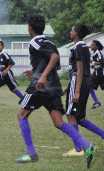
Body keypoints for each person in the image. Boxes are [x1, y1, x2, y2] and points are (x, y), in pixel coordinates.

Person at [15, 15, 97, 169]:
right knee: (59, 123)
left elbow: (54, 57)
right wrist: (37, 72)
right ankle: (88, 145)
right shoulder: (51, 43)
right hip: (54, 88)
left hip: (40, 88)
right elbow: (57, 66)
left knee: (21, 115)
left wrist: (42, 76)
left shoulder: (35, 41)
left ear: (30, 29)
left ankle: (31, 154)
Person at [62, 24, 103, 159]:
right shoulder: (85, 47)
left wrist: (76, 90)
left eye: (72, 29)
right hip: (83, 81)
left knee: (70, 115)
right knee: (79, 118)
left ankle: (78, 149)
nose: (70, 31)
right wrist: (71, 87)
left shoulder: (78, 47)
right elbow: (84, 69)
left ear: (77, 34)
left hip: (78, 82)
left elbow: (79, 70)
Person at [0, 41, 23, 112]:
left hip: (7, 74)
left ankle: (25, 100)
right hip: (1, 74)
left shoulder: (4, 54)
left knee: (13, 89)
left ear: (2, 47)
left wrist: (6, 70)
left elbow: (12, 63)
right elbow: (0, 64)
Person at [89, 40, 104, 109]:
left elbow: (102, 62)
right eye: (91, 45)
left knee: (90, 86)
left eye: (93, 45)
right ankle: (97, 102)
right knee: (90, 87)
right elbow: (95, 64)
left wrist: (93, 62)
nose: (91, 46)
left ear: (97, 47)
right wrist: (92, 65)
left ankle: (97, 102)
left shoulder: (98, 53)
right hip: (96, 73)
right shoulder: (93, 54)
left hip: (100, 74)